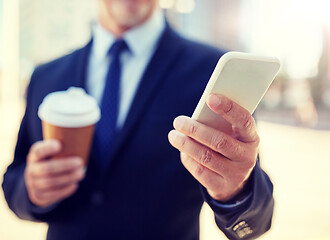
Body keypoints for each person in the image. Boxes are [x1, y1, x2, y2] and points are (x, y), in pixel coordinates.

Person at [2, 0, 274, 239]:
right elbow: (13, 180)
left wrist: (236, 190)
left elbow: (255, 223)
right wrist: (31, 189)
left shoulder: (213, 74)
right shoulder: (46, 76)